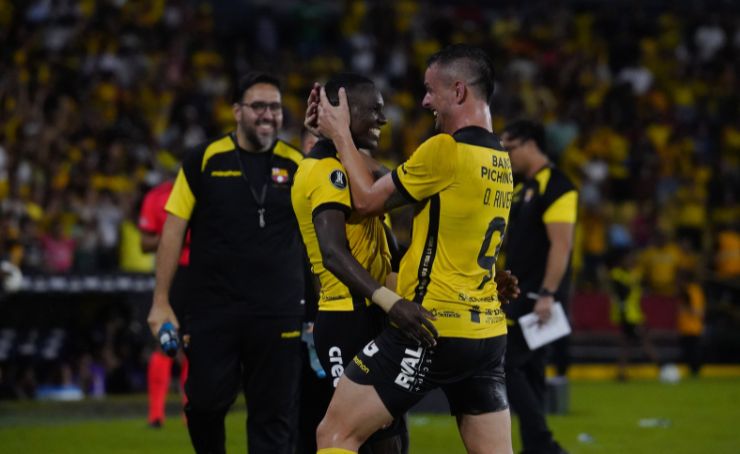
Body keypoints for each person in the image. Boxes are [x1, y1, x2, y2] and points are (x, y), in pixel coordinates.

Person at [314, 44, 516, 454]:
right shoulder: (500, 158)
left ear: (458, 92)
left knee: (335, 435)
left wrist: (338, 135)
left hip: (431, 326)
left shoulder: (445, 148)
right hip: (488, 334)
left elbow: (368, 199)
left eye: (430, 90)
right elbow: (454, 233)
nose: (425, 101)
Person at [147, 72, 305, 454]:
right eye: (258, 106)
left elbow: (316, 240)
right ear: (237, 111)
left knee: (274, 418)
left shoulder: (298, 164)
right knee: (203, 405)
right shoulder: (203, 160)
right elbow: (173, 229)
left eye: (275, 107)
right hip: (213, 312)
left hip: (277, 313)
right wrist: (161, 300)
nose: (268, 115)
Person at [292, 73, 411, 453]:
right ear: (344, 113)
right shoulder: (324, 171)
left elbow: (392, 245)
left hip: (373, 315)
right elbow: (332, 252)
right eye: (374, 110)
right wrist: (391, 302)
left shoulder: (354, 173)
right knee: (363, 438)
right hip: (348, 318)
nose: (383, 119)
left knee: (391, 436)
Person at [500, 119, 577, 454]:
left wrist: (547, 294)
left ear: (530, 144)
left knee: (507, 364)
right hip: (518, 294)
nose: (506, 156)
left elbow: (561, 246)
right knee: (531, 372)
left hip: (539, 296)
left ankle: (543, 445)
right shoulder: (522, 188)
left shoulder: (558, 186)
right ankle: (536, 447)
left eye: (510, 148)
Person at [138, 177, 190, 428]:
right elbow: (144, 242)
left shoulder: (204, 188)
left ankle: (190, 410)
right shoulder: (157, 196)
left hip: (202, 273)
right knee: (165, 340)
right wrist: (172, 235)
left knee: (195, 344)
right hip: (171, 273)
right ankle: (156, 414)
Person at [608, 248, 660, 381]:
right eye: (628, 258)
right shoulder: (617, 274)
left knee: (628, 344)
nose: (631, 261)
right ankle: (661, 367)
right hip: (627, 314)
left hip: (635, 313)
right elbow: (622, 294)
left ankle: (621, 372)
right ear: (621, 260)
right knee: (642, 340)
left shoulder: (633, 274)